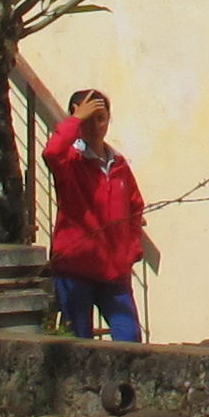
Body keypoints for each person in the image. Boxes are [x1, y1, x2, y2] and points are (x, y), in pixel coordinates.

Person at [31, 81, 146, 342]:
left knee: (129, 338)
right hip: (76, 266)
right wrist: (73, 121)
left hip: (114, 269)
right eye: (89, 119)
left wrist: (131, 250)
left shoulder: (118, 165)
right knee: (79, 340)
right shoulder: (71, 162)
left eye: (102, 119)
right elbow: (51, 152)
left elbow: (135, 206)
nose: (96, 127)